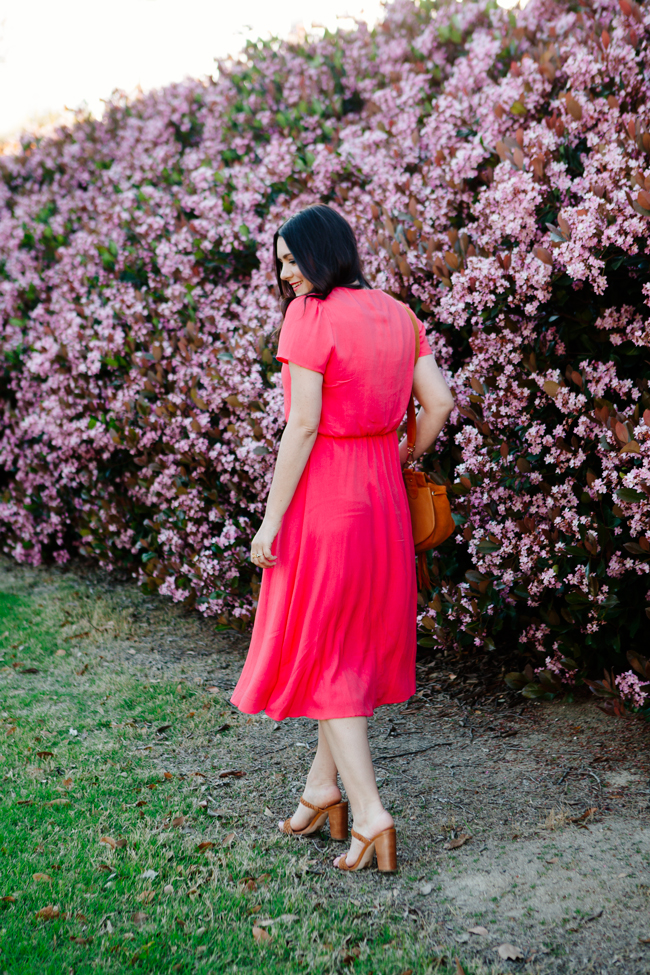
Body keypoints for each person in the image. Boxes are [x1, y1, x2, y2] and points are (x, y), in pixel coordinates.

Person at [231, 205, 454, 871]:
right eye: (279, 261)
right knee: (347, 643)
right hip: (381, 490)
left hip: (326, 495)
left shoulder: (312, 315)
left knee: (327, 651)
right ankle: (321, 789)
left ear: (327, 254)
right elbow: (438, 402)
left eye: (294, 259)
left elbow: (301, 426)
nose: (285, 272)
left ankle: (369, 813)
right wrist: (405, 455)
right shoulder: (398, 313)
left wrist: (271, 519)